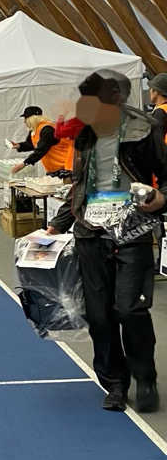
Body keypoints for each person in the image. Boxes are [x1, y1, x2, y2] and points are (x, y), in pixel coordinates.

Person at [48, 70, 167, 413]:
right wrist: (57, 225)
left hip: (132, 231)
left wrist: (161, 199)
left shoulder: (145, 129)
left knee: (130, 308)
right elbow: (80, 185)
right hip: (90, 232)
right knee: (99, 315)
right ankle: (114, 382)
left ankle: (145, 377)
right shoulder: (84, 134)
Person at [11, 106, 73, 178]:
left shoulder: (47, 130)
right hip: (54, 169)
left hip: (65, 168)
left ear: (32, 119)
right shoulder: (35, 130)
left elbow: (41, 150)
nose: (24, 122)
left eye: (25, 119)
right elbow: (31, 144)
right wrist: (19, 145)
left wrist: (24, 164)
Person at [147, 73, 167, 140]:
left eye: (151, 88)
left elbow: (156, 143)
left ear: (156, 92)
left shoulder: (160, 112)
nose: (149, 91)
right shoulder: (164, 109)